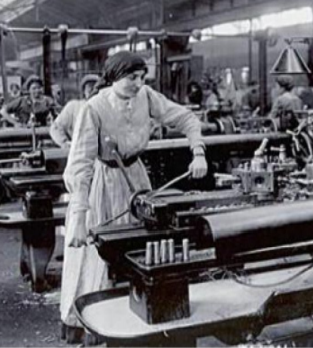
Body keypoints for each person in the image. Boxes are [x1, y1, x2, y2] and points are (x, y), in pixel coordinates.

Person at [60, 51, 208, 340]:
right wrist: (78, 216)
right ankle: (93, 325)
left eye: (142, 77)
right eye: (132, 78)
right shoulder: (94, 107)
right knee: (98, 253)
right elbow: (80, 165)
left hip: (136, 179)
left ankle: (137, 319)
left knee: (139, 247)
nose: (138, 83)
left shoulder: (147, 96)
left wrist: (198, 151)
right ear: (114, 76)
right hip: (102, 182)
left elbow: (187, 118)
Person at [50, 74, 99, 149]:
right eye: (89, 87)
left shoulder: (105, 108)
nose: (92, 90)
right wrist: (65, 143)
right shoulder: (74, 106)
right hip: (80, 150)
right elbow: (56, 127)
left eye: (96, 87)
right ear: (84, 91)